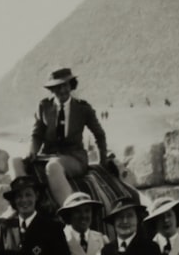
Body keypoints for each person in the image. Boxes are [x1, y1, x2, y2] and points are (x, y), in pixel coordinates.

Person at [10, 67, 109, 206]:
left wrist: (103, 161)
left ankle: (69, 210)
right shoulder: (44, 106)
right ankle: (23, 204)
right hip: (46, 156)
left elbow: (99, 134)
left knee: (54, 166)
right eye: (57, 87)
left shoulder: (83, 109)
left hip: (74, 158)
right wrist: (32, 151)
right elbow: (37, 134)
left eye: (65, 86)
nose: (62, 91)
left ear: (71, 86)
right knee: (14, 161)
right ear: (51, 90)